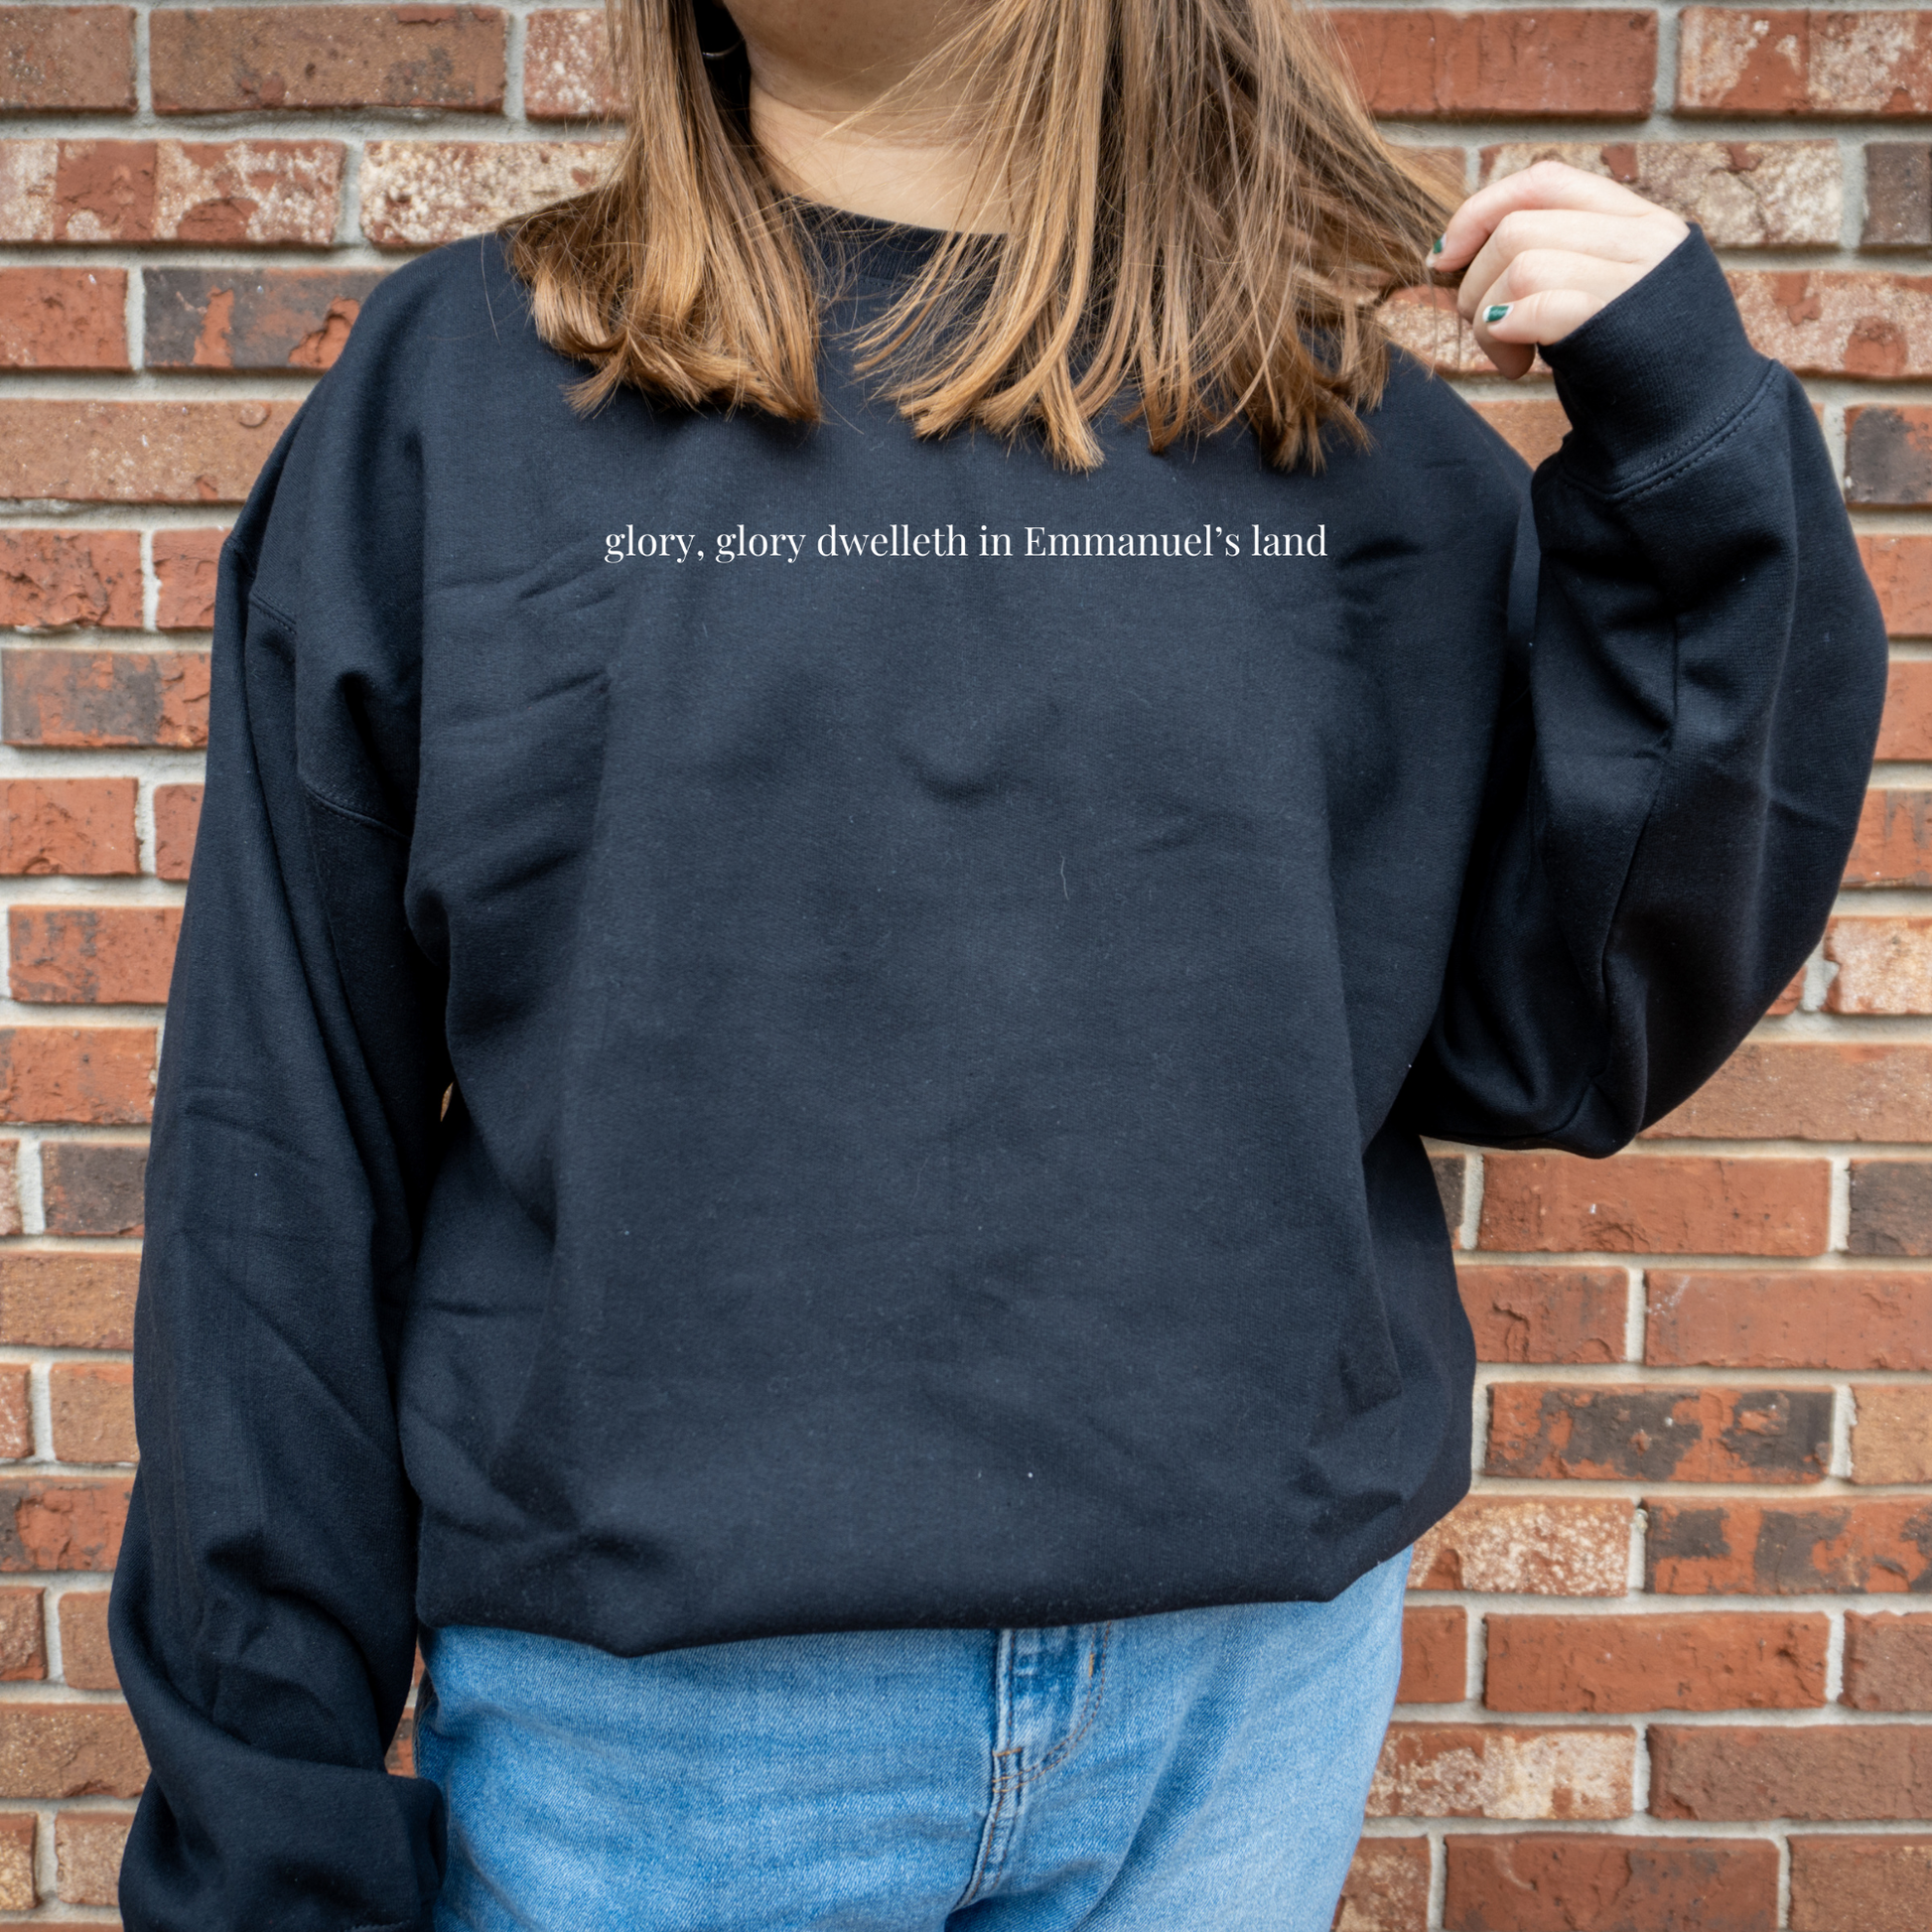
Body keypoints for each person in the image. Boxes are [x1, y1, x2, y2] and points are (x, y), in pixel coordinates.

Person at [107, 0, 1888, 1927]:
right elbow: (281, 1150)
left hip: (1228, 1714)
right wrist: (266, 1815)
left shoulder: (1344, 437)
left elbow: (1563, 1028)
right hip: (665, 1734)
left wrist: (1692, 472)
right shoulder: (458, 406)